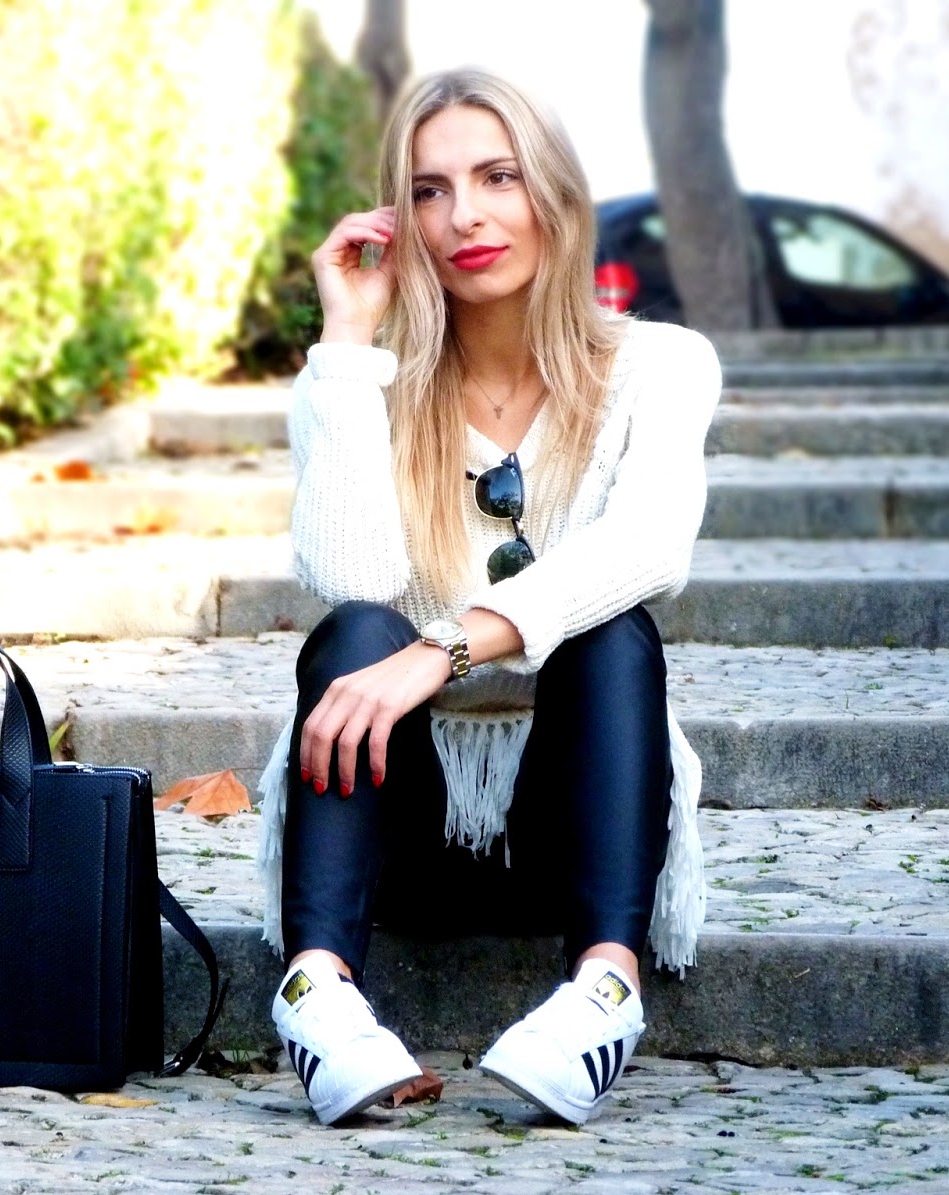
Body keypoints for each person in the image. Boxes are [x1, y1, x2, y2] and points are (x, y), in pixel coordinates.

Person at [252, 68, 719, 1127]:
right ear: (400, 220)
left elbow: (650, 544)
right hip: (397, 833)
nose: (464, 215)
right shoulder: (354, 385)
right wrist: (347, 346)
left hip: (576, 830)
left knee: (611, 633)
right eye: (429, 190)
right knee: (355, 634)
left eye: (497, 177)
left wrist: (444, 650)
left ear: (554, 192)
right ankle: (317, 995)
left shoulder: (660, 366)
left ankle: (605, 991)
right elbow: (353, 580)